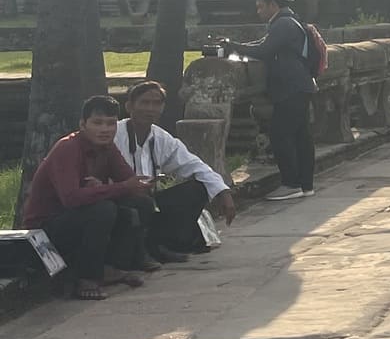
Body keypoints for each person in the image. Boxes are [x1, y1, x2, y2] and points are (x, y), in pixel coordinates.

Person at [22, 96, 160, 300]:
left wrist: (116, 187)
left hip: (82, 214)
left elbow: (132, 184)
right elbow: (71, 198)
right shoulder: (67, 148)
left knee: (141, 204)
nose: (105, 129)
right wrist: (114, 189)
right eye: (97, 123)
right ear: (82, 124)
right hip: (47, 227)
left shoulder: (108, 147)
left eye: (111, 123)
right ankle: (87, 277)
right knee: (103, 210)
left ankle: (111, 266)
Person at [116, 80, 237, 259]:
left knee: (197, 189)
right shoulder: (115, 134)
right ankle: (150, 249)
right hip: (120, 199)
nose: (150, 109)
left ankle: (163, 243)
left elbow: (195, 165)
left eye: (156, 104)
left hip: (150, 202)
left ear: (162, 108)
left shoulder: (161, 138)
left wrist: (223, 192)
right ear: (129, 106)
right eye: (144, 103)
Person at [219, 0, 316, 201]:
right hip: (301, 85)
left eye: (261, 7)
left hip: (291, 87)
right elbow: (263, 44)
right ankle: (305, 184)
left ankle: (291, 183)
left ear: (273, 4)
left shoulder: (282, 24)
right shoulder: (288, 21)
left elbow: (264, 50)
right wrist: (237, 46)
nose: (259, 12)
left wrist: (234, 47)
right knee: (301, 136)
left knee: (281, 135)